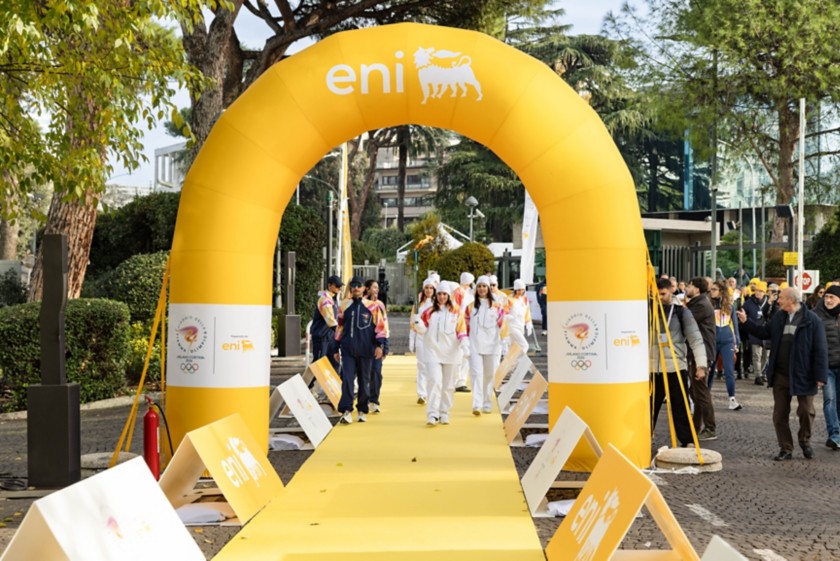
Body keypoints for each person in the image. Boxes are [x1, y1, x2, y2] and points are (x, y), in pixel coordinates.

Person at [737, 287, 828, 460]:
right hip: (780, 373)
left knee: (806, 411)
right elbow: (764, 332)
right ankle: (785, 448)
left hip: (804, 374)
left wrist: (820, 376)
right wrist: (746, 322)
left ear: (792, 300)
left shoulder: (812, 320)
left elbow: (820, 350)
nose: (778, 301)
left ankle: (805, 441)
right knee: (779, 413)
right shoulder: (779, 317)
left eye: (781, 298)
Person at [650, 278, 708, 447]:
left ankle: (688, 441)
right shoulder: (647, 311)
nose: (659, 297)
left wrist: (701, 366)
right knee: (648, 409)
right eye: (655, 294)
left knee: (680, 406)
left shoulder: (681, 312)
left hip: (676, 367)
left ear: (670, 292)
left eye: (662, 294)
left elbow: (696, 339)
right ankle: (643, 439)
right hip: (652, 369)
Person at [333, 276, 389, 425]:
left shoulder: (373, 306)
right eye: (354, 285)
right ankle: (346, 410)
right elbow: (339, 328)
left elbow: (381, 327)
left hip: (366, 349)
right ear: (351, 288)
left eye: (359, 285)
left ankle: (362, 409)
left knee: (364, 381)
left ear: (364, 288)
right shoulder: (344, 306)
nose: (356, 288)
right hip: (348, 350)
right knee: (347, 380)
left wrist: (380, 346)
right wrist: (335, 348)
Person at [413, 281, 469, 426]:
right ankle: (432, 414)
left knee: (448, 386)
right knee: (435, 382)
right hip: (432, 352)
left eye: (445, 294)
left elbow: (461, 331)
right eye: (440, 294)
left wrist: (465, 346)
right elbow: (423, 329)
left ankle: (444, 412)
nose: (442, 297)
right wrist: (417, 324)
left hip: (451, 353)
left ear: (449, 296)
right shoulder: (429, 311)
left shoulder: (456, 312)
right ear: (436, 295)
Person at [465, 275, 506, 415]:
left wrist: (504, 340)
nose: (482, 289)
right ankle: (476, 404)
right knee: (476, 374)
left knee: (489, 375)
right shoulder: (470, 307)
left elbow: (503, 324)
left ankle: (487, 402)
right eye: (479, 286)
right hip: (475, 345)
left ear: (488, 288)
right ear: (476, 289)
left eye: (484, 286)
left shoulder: (497, 306)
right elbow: (464, 326)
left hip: (492, 346)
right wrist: (465, 343)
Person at [684, 277, 717, 441]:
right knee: (696, 392)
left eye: (689, 285)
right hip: (697, 352)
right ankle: (695, 426)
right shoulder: (698, 303)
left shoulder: (701, 305)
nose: (686, 288)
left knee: (701, 392)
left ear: (696, 289)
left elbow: (685, 321)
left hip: (701, 354)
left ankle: (710, 428)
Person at [813, 285, 840, 450]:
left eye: (832, 297)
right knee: (829, 399)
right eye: (827, 297)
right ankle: (834, 434)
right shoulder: (816, 315)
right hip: (826, 366)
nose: (828, 300)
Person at [709, 280, 743, 411]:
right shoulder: (708, 304)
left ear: (721, 291)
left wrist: (737, 342)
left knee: (729, 370)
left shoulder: (730, 306)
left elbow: (734, 324)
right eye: (711, 289)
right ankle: (705, 397)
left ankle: (732, 399)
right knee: (710, 369)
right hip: (713, 341)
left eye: (714, 289)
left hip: (727, 340)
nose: (711, 292)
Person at [409, 279, 436, 404]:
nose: (429, 290)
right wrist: (412, 339)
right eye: (427, 288)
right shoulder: (418, 304)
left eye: (431, 288)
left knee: (433, 366)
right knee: (421, 366)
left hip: (434, 339)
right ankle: (421, 393)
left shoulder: (438, 303)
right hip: (421, 338)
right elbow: (412, 323)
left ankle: (432, 392)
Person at [364, 279, 389, 414]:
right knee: (364, 374)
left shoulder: (380, 305)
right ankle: (364, 399)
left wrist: (385, 345)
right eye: (374, 287)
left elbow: (385, 325)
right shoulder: (362, 304)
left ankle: (374, 400)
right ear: (367, 289)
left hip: (378, 343)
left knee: (376, 372)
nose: (376, 290)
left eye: (377, 287)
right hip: (363, 343)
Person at [310, 275, 343, 372]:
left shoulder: (332, 299)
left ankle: (335, 386)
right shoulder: (325, 300)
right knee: (319, 364)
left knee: (335, 363)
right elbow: (330, 321)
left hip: (329, 336)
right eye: (337, 286)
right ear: (329, 286)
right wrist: (341, 334)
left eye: (340, 286)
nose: (339, 288)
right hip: (321, 337)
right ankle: (307, 384)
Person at [743, 281, 770, 386]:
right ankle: (758, 376)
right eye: (756, 291)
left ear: (765, 292)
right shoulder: (749, 302)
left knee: (765, 356)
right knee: (756, 355)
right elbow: (743, 312)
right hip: (754, 331)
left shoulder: (769, 302)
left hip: (767, 332)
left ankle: (761, 371)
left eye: (760, 291)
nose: (758, 293)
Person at [452, 272, 475, 393]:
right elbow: (456, 310)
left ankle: (461, 380)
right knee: (460, 353)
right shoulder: (459, 292)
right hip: (461, 327)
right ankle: (457, 380)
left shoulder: (468, 292)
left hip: (467, 326)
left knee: (465, 354)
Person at [506, 279, 534, 354]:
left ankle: (511, 365)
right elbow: (503, 313)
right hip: (512, 326)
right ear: (515, 289)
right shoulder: (509, 299)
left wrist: (529, 324)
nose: (521, 292)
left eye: (522, 290)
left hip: (521, 326)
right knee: (524, 346)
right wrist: (511, 317)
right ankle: (518, 362)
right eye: (518, 290)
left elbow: (527, 313)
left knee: (513, 348)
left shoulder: (524, 299)